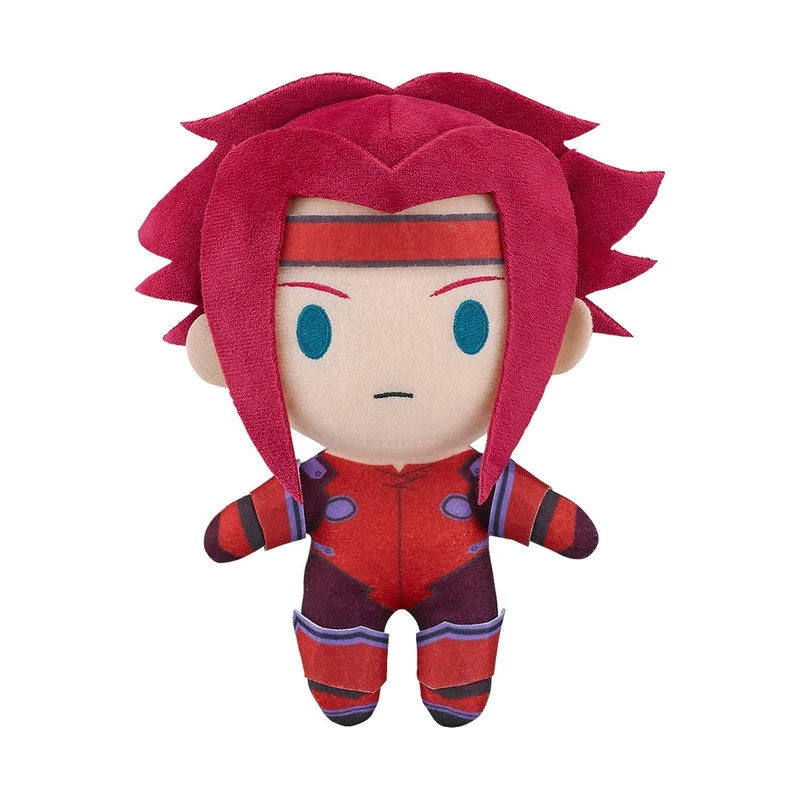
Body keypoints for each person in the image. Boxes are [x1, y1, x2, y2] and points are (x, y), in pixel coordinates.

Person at [138, 72, 662, 726]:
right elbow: (260, 518)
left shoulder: (467, 478)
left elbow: (545, 516)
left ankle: (450, 685)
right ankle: (348, 684)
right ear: (224, 347)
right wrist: (240, 529)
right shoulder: (320, 483)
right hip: (351, 582)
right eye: (313, 328)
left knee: (458, 664)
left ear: (556, 337)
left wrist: (557, 522)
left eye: (470, 324)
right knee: (342, 663)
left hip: (446, 581)